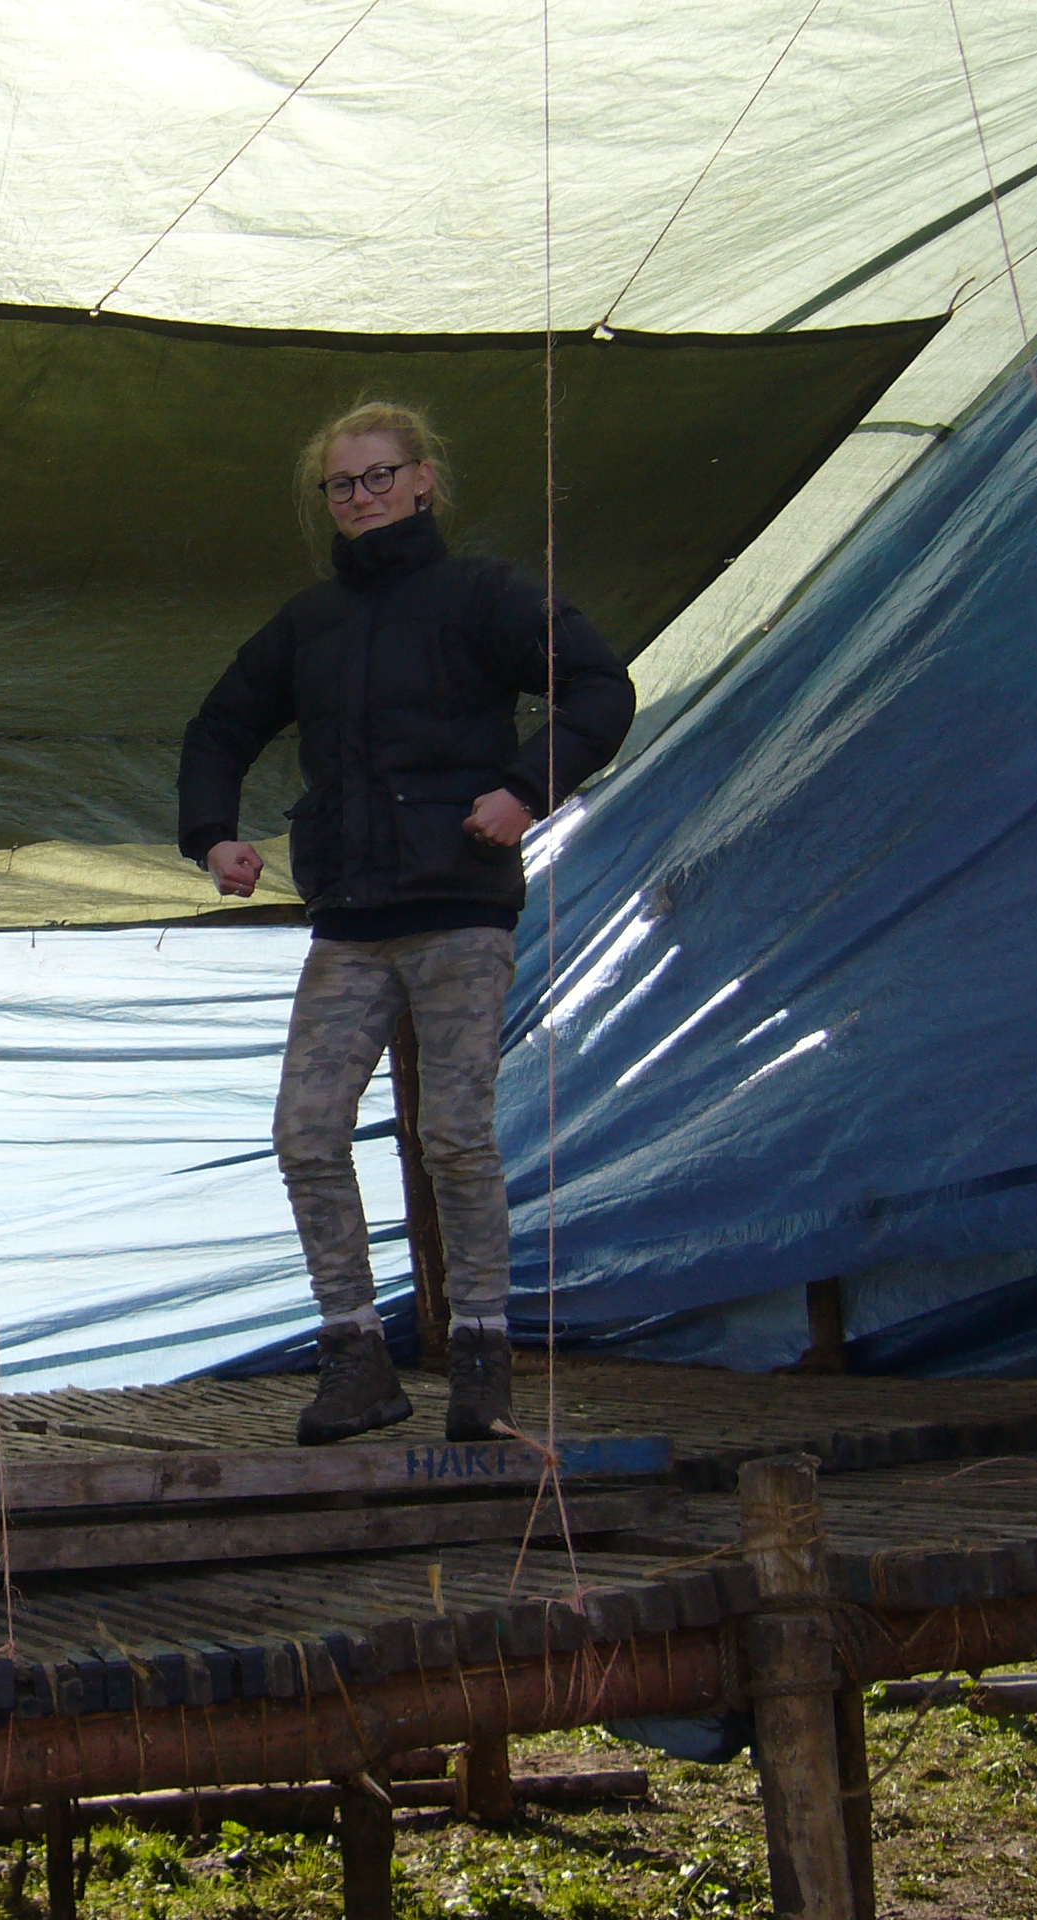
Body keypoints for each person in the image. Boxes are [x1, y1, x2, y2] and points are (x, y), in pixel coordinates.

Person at [177, 401, 633, 1445]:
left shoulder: (484, 595)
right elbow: (219, 726)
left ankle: (482, 1358)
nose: (363, 496)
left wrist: (527, 789)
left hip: (459, 912)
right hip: (348, 922)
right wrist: (212, 836)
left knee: (455, 1135)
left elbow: (600, 688)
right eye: (342, 484)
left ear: (423, 478)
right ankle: (355, 1360)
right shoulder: (310, 622)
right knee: (304, 1135)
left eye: (380, 475)